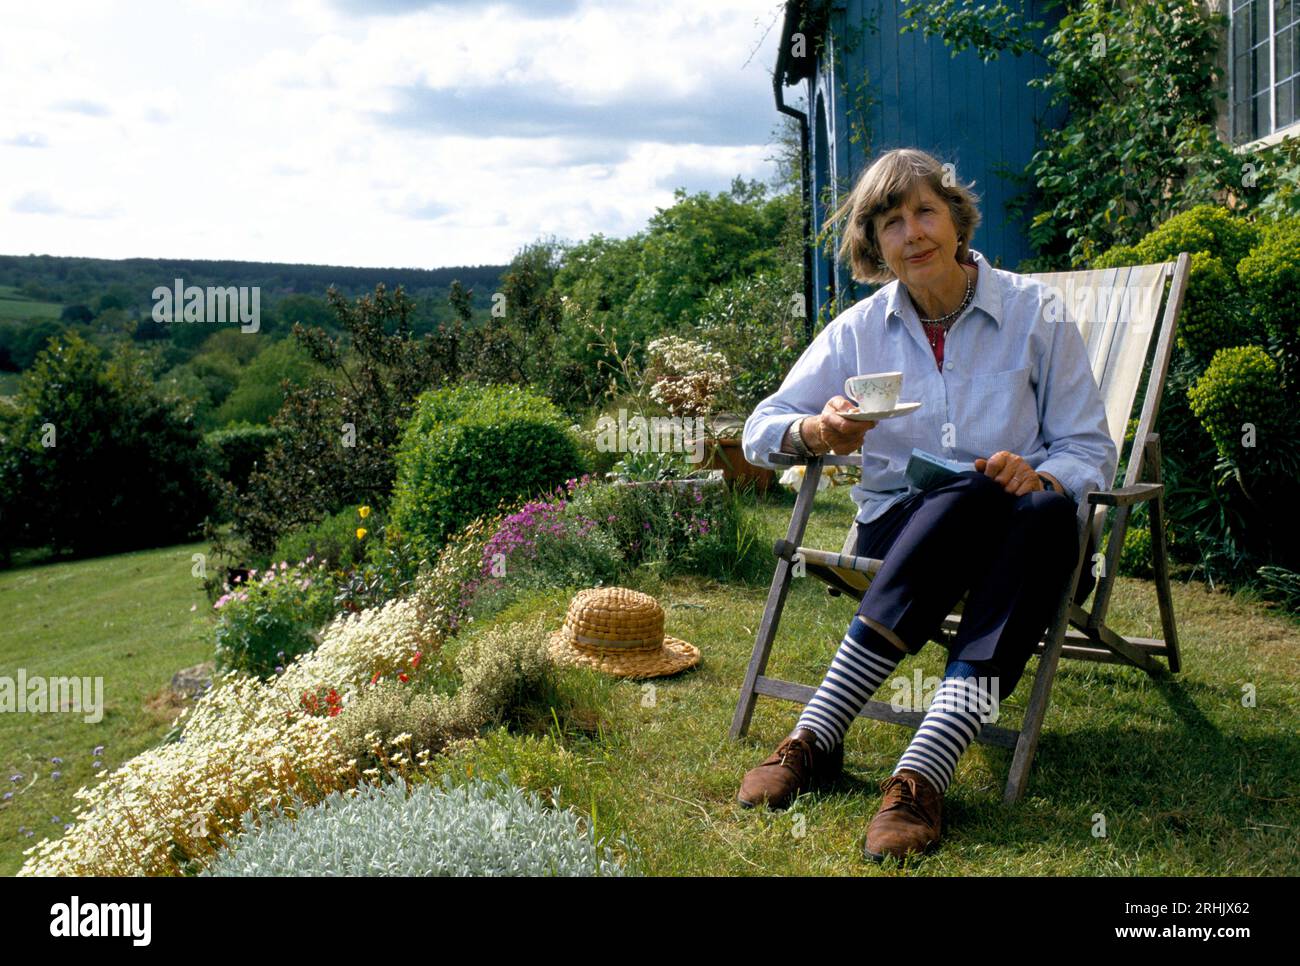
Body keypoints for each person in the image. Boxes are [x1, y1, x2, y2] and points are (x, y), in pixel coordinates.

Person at [737, 147, 1117, 863]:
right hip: (900, 538)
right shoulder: (859, 330)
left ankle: (916, 772)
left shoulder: (1034, 313)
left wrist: (1042, 477)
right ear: (873, 244)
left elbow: (1089, 448)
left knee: (1033, 512)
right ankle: (821, 739)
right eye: (889, 223)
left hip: (1022, 539)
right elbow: (761, 427)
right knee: (968, 491)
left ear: (956, 220)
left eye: (924, 212)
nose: (911, 234)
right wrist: (815, 429)